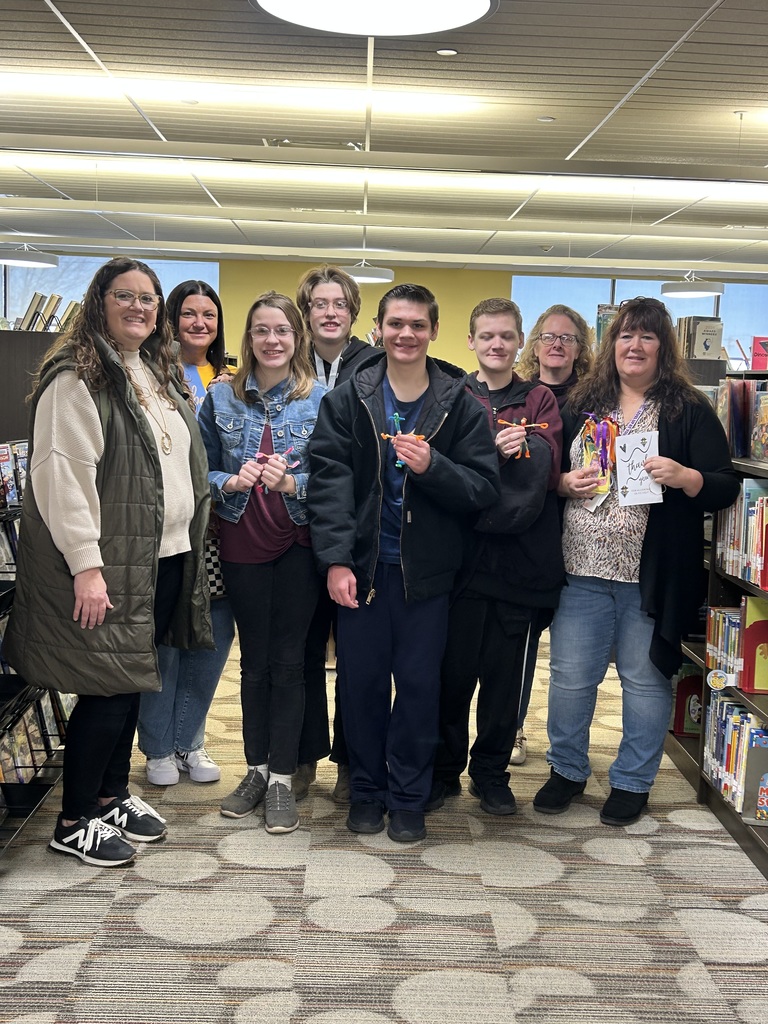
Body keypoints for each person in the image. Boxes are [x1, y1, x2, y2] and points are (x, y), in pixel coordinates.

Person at [4, 257, 212, 866]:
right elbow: (63, 481)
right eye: (126, 296)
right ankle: (74, 819)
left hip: (162, 556)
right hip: (111, 563)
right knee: (106, 690)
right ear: (100, 302)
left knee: (132, 682)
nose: (140, 307)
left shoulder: (149, 370)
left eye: (150, 298)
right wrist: (87, 567)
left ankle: (111, 795)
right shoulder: (77, 378)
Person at [533, 296, 739, 826]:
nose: (635, 345)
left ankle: (632, 781)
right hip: (580, 567)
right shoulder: (582, 403)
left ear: (662, 347)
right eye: (626, 335)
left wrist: (687, 477)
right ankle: (567, 771)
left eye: (647, 337)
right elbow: (542, 473)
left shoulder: (687, 409)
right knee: (571, 678)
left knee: (645, 680)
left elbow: (722, 485)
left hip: (651, 577)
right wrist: (560, 483)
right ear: (611, 345)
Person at [308, 283, 499, 843]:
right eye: (396, 324)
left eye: (418, 325)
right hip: (363, 573)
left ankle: (410, 797)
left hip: (428, 578)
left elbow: (482, 488)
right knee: (361, 685)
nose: (406, 334)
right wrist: (336, 562)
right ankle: (367, 790)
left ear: (434, 331)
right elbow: (328, 486)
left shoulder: (459, 400)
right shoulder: (348, 397)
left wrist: (432, 465)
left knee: (419, 688)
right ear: (379, 330)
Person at [429, 298, 564, 815]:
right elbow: (442, 466)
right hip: (462, 565)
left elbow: (542, 478)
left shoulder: (541, 401)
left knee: (504, 684)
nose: (496, 345)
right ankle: (444, 772)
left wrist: (488, 463)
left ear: (519, 341)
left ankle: (490, 774)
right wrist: (492, 453)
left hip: (519, 565)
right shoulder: (453, 395)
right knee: (454, 675)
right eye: (486, 336)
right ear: (470, 340)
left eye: (506, 336)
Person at [198, 291, 325, 835]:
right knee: (254, 662)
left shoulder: (323, 399)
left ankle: (281, 777)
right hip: (240, 543)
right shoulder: (220, 397)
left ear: (297, 339)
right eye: (261, 331)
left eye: (283, 331)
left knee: (291, 663)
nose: (272, 340)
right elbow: (196, 467)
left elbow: (343, 479)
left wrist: (295, 482)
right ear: (248, 338)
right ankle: (254, 768)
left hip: (298, 544)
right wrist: (226, 479)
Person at [138, 280, 236, 786]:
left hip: (221, 533)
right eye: (189, 314)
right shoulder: (150, 374)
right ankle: (157, 747)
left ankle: (189, 740)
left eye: (210, 316)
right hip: (173, 531)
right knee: (167, 639)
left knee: (213, 639)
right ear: (170, 318)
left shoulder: (230, 380)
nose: (200, 324)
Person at [294, 265, 373, 803]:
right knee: (301, 653)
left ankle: (350, 758)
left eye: (338, 303)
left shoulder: (377, 365)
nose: (328, 312)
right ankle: (301, 759)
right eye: (319, 303)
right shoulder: (284, 361)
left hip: (356, 533)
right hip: (294, 531)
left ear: (352, 312)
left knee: (356, 656)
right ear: (306, 311)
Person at [510, 303, 594, 764]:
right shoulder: (521, 395)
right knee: (523, 642)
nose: (557, 344)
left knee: (572, 659)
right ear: (534, 344)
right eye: (549, 336)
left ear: (581, 348)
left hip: (583, 537)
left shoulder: (594, 401)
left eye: (568, 338)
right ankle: (515, 729)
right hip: (532, 535)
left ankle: (570, 749)